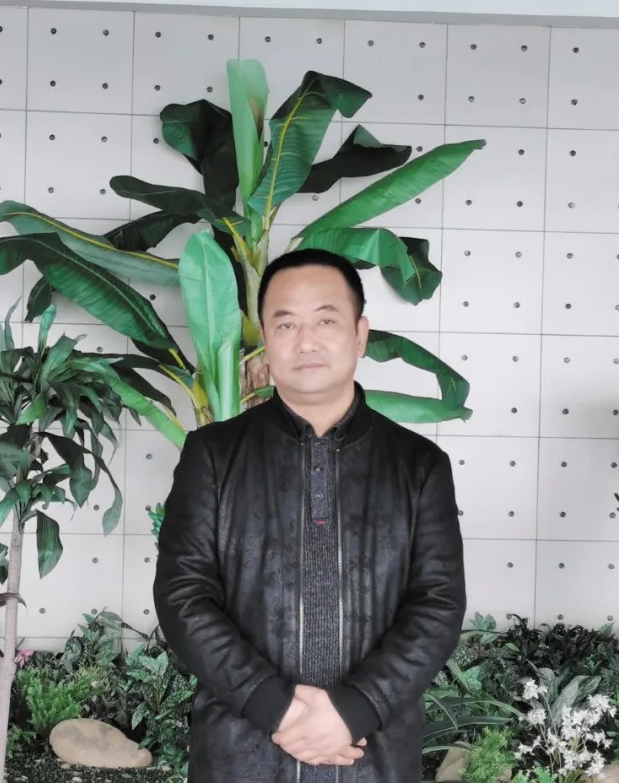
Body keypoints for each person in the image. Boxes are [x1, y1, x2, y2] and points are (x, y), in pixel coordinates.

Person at [152, 247, 468, 782]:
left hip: (373, 753)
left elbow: (437, 604)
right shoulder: (213, 456)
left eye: (326, 320)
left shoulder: (418, 465)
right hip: (242, 752)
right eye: (286, 324)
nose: (306, 341)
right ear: (265, 341)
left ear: (360, 334)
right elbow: (183, 595)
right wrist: (275, 706)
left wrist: (357, 708)